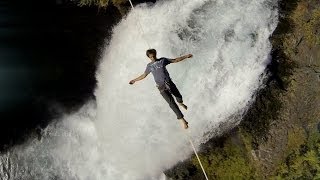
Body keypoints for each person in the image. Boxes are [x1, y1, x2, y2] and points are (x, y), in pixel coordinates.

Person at [129, 49, 193, 129]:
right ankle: (183, 120)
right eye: (151, 57)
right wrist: (134, 80)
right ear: (148, 57)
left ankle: (180, 103)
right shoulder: (149, 66)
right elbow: (144, 75)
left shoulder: (163, 60)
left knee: (178, 97)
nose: (153, 58)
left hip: (169, 84)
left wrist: (186, 56)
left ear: (156, 54)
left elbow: (175, 60)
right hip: (161, 88)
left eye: (154, 56)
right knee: (171, 103)